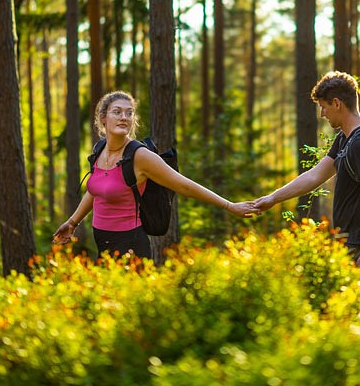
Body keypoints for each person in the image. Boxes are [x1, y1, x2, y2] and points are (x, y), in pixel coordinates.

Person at [53, 90, 255, 259]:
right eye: (117, 112)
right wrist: (72, 222)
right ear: (103, 118)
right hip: (102, 241)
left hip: (130, 244)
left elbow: (184, 185)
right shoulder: (100, 149)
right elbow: (96, 191)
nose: (124, 117)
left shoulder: (140, 156)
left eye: (129, 113)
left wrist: (229, 205)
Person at [252, 71, 360, 266]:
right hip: (355, 243)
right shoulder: (346, 139)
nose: (322, 114)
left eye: (323, 107)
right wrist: (272, 198)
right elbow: (315, 176)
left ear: (337, 103)